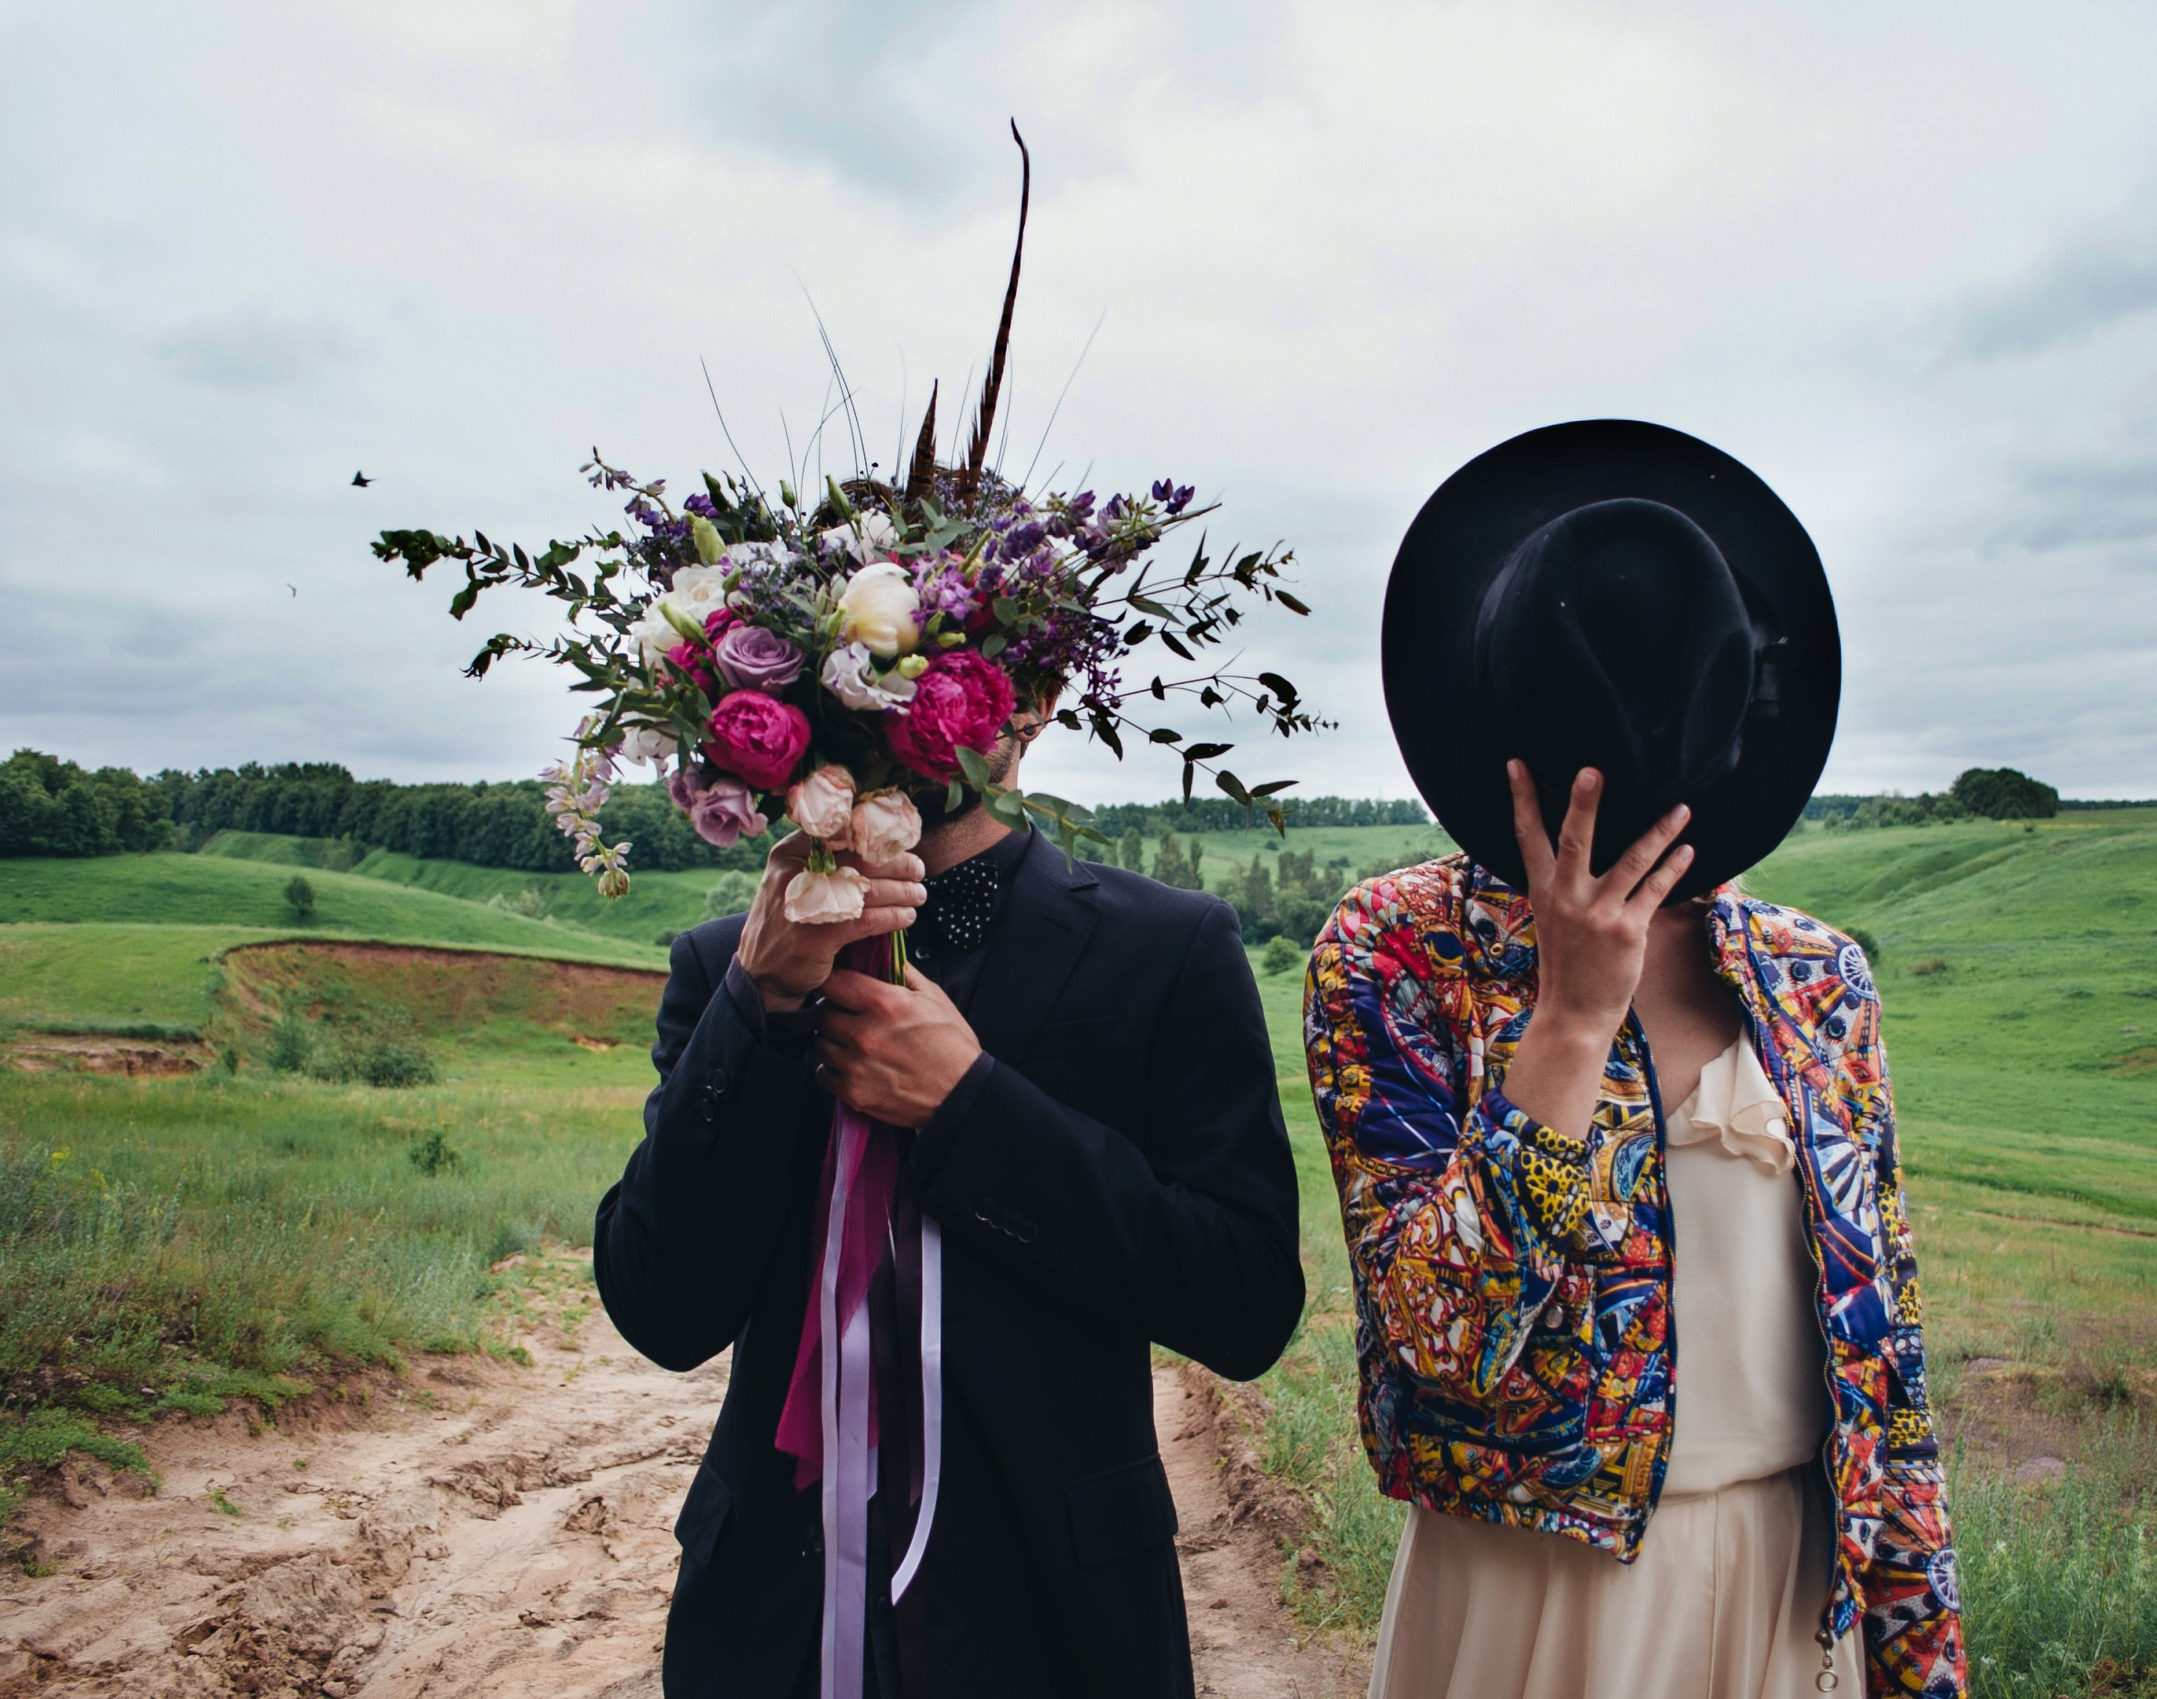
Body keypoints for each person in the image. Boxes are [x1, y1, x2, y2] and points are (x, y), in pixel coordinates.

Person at [1305, 422, 1964, 1698]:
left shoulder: (1816, 976)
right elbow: (1440, 1341)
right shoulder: (1394, 953)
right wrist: (1566, 1020)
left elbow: (1888, 1366)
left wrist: (1919, 1655)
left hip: (1784, 1584)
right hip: (1526, 1592)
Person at [595, 696, 1305, 1698]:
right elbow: (659, 1309)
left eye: (943, 674)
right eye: (867, 683)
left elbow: (1245, 1300)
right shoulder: (724, 966)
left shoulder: (1170, 948)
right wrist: (756, 1004)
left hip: (1060, 1628)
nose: (896, 710)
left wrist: (971, 1109)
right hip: (770, 1631)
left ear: (1037, 702)